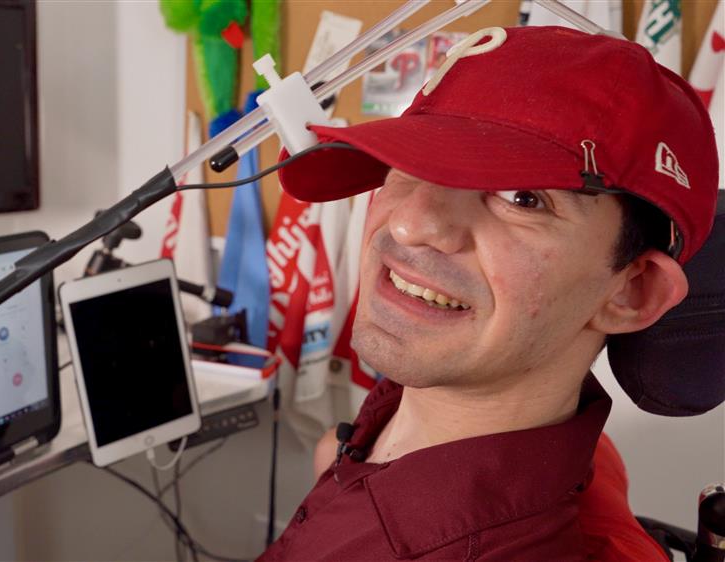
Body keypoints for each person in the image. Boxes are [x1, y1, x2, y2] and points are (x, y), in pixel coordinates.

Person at [258, 25, 719, 561]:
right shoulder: (440, 422)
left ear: (632, 291)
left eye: (522, 198)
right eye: (412, 160)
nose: (409, 223)